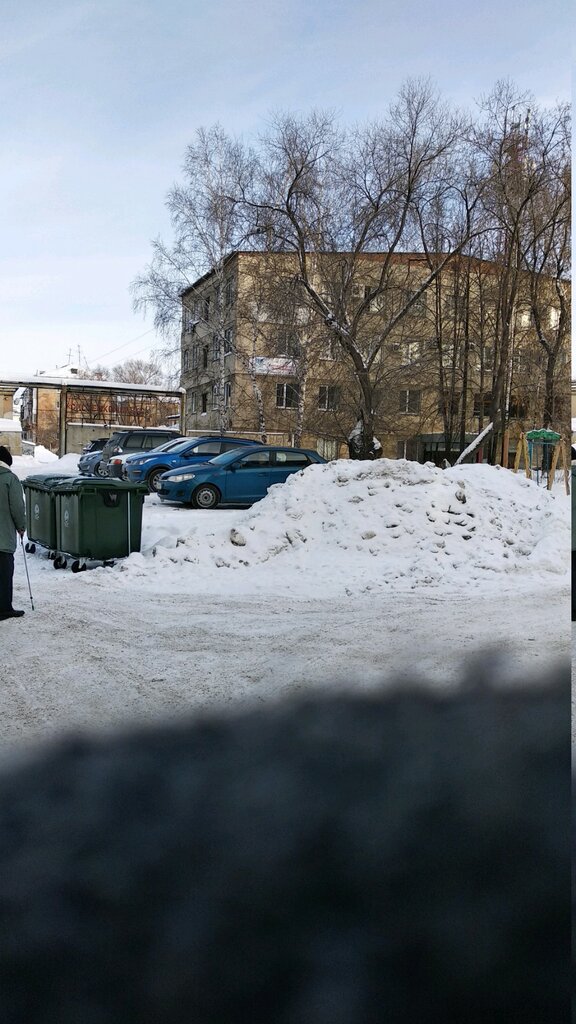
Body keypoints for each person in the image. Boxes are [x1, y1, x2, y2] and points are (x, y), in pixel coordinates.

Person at [0, 444, 26, 620]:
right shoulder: (10, 479)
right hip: (3, 539)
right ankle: (4, 608)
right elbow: (17, 507)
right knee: (4, 573)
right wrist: (21, 527)